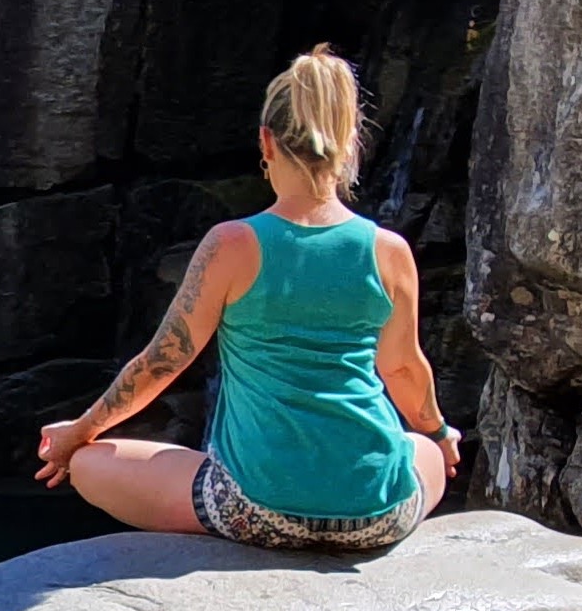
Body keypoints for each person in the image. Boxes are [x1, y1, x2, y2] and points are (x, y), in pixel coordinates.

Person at [35, 49, 459, 548]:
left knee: (88, 463)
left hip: (254, 510)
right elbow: (404, 368)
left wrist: (78, 433)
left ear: (266, 141)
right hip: (378, 514)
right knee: (422, 449)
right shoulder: (389, 251)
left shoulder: (232, 244)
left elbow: (162, 361)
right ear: (349, 142)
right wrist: (440, 434)